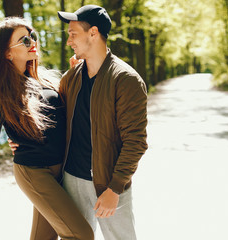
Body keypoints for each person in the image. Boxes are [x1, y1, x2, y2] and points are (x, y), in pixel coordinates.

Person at [9, 5, 148, 239]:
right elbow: (53, 119)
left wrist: (115, 188)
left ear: (93, 33)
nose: (68, 41)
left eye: (73, 34)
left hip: (109, 184)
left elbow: (136, 142)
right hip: (72, 180)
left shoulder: (125, 80)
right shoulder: (71, 78)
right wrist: (22, 140)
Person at [0, 17, 93, 240]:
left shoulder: (44, 79)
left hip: (62, 168)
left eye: (32, 36)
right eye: (24, 40)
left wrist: (74, 78)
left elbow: (66, 115)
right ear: (7, 53)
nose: (32, 42)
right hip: (35, 172)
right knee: (81, 234)